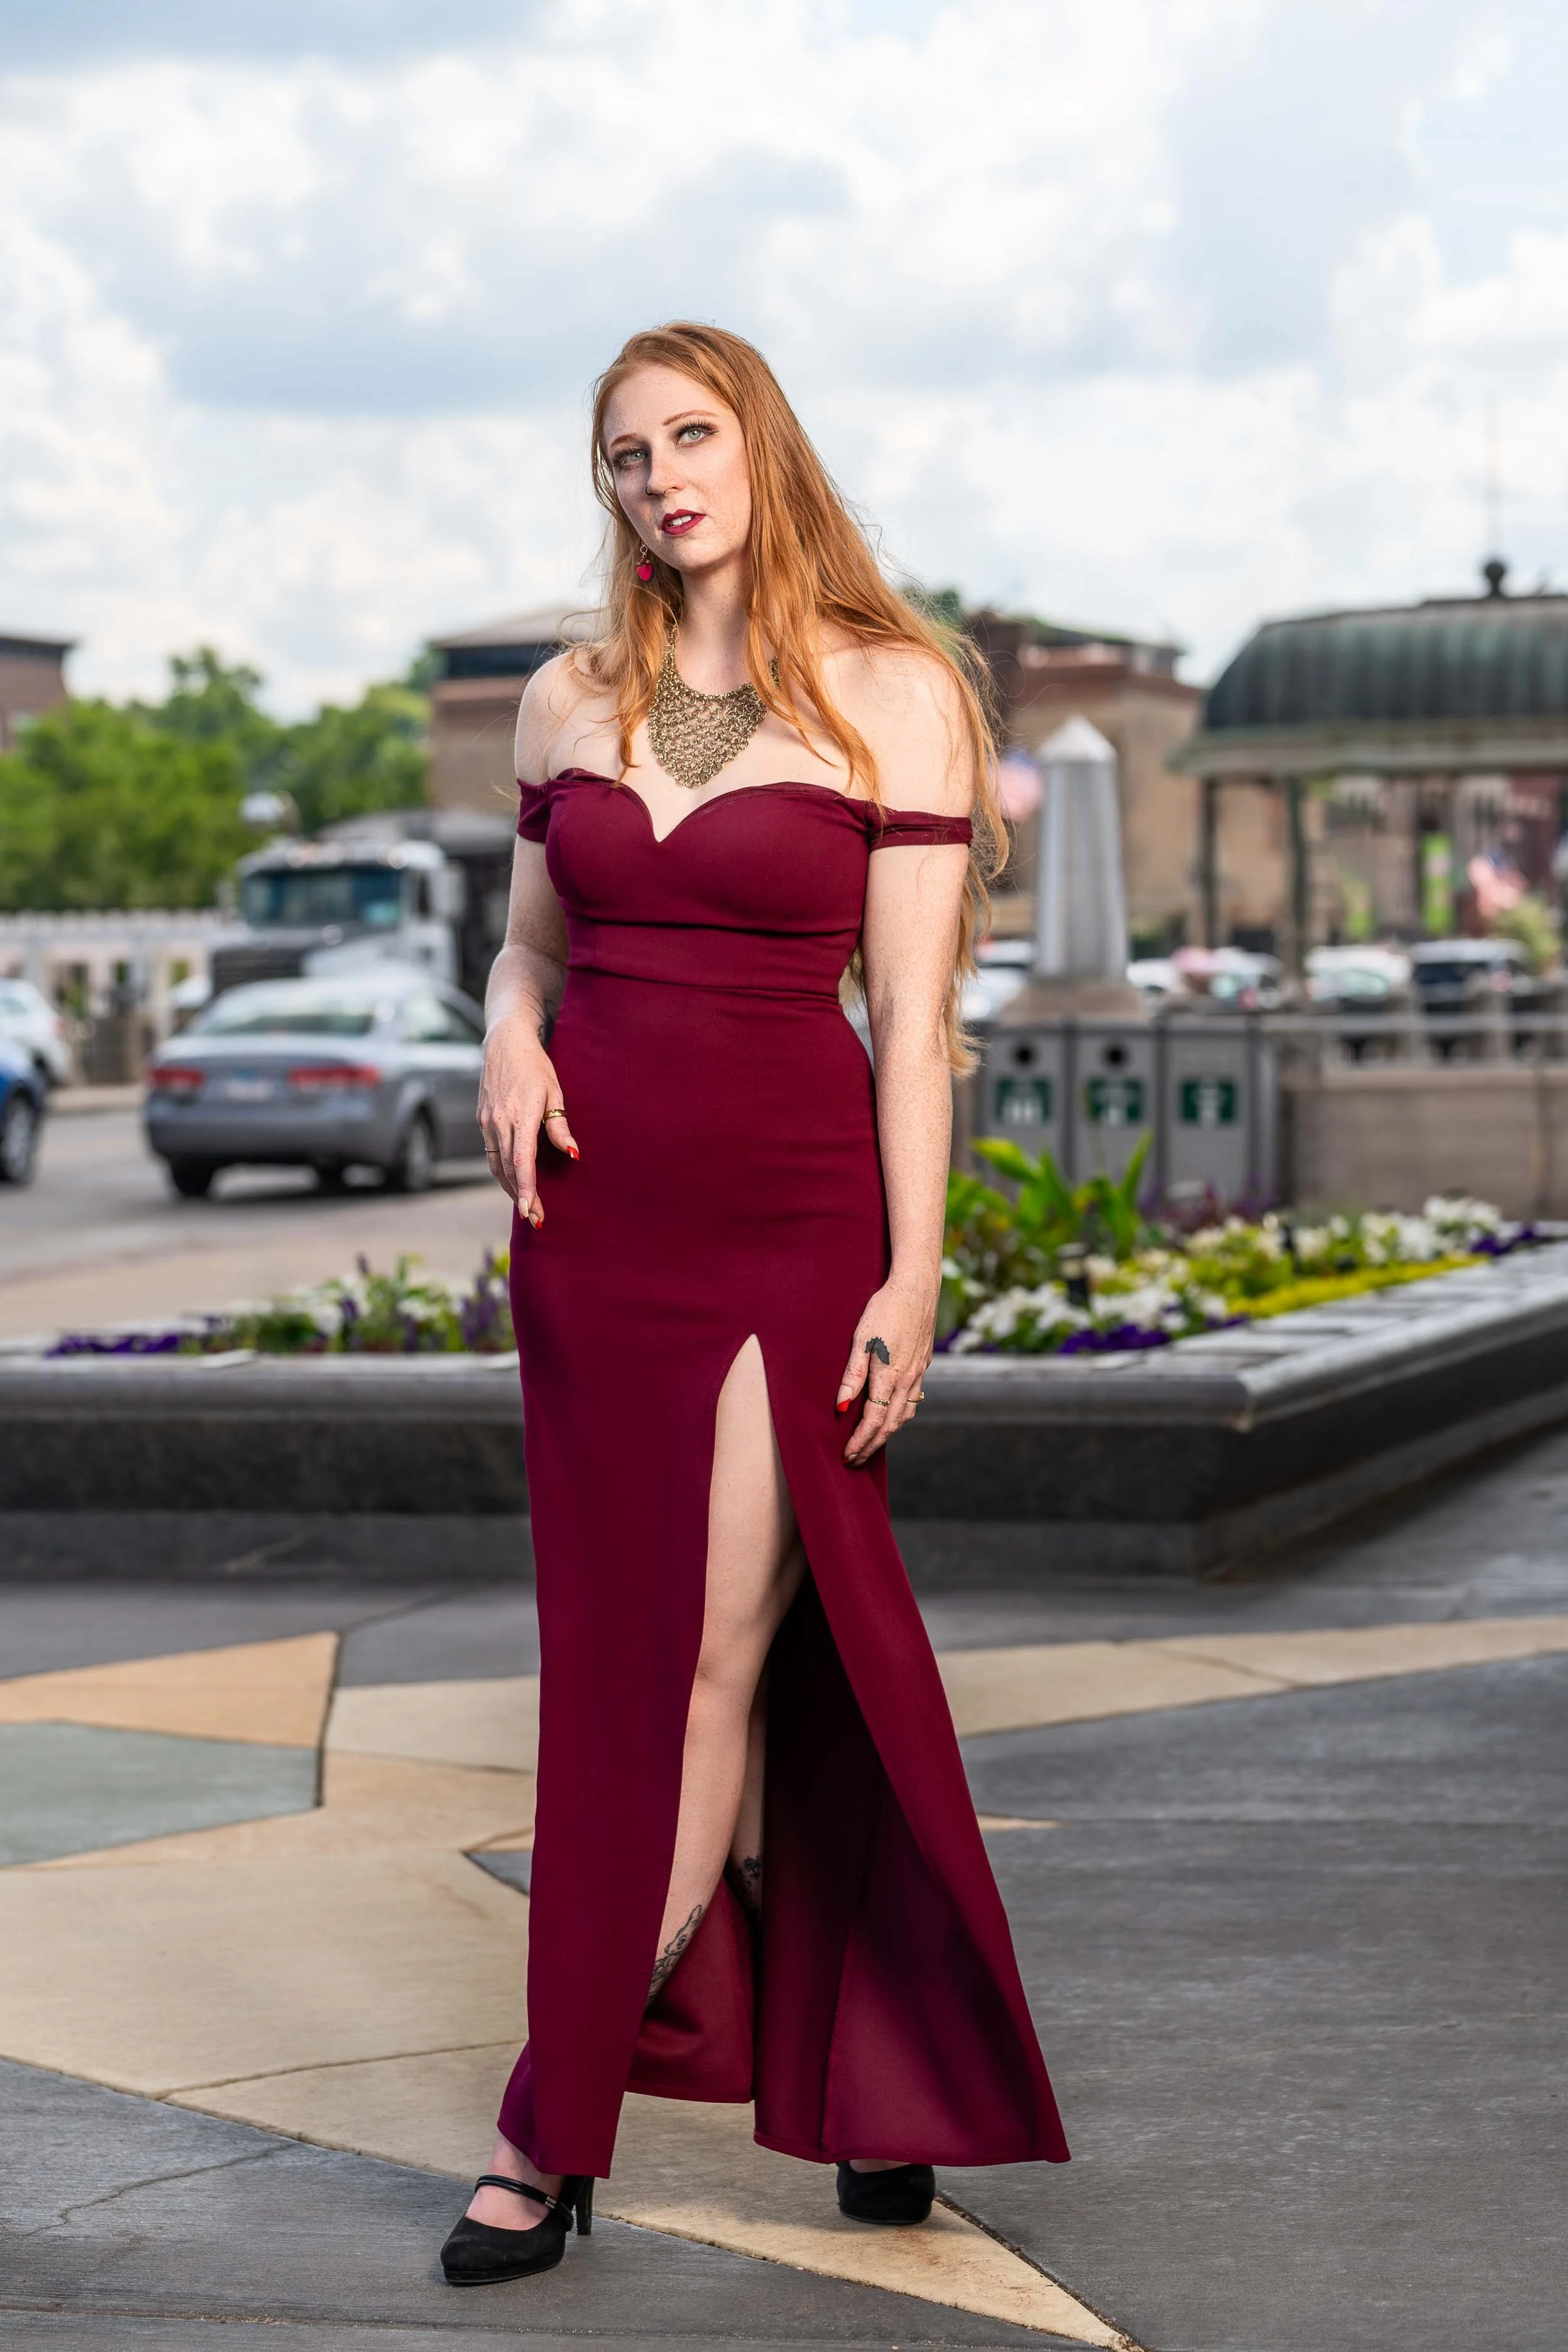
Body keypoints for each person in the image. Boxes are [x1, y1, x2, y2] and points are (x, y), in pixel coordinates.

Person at [440, 322, 1068, 2290]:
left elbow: (912, 1026)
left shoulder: (897, 694)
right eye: (623, 454)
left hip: (790, 1231)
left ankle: (551, 2119)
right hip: (591, 1230)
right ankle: (874, 2079)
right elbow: (529, 943)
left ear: (756, 444)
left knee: (705, 1657)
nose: (656, 478)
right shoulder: (566, 698)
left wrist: (913, 1268)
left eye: (688, 437)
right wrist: (507, 1036)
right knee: (613, 1658)